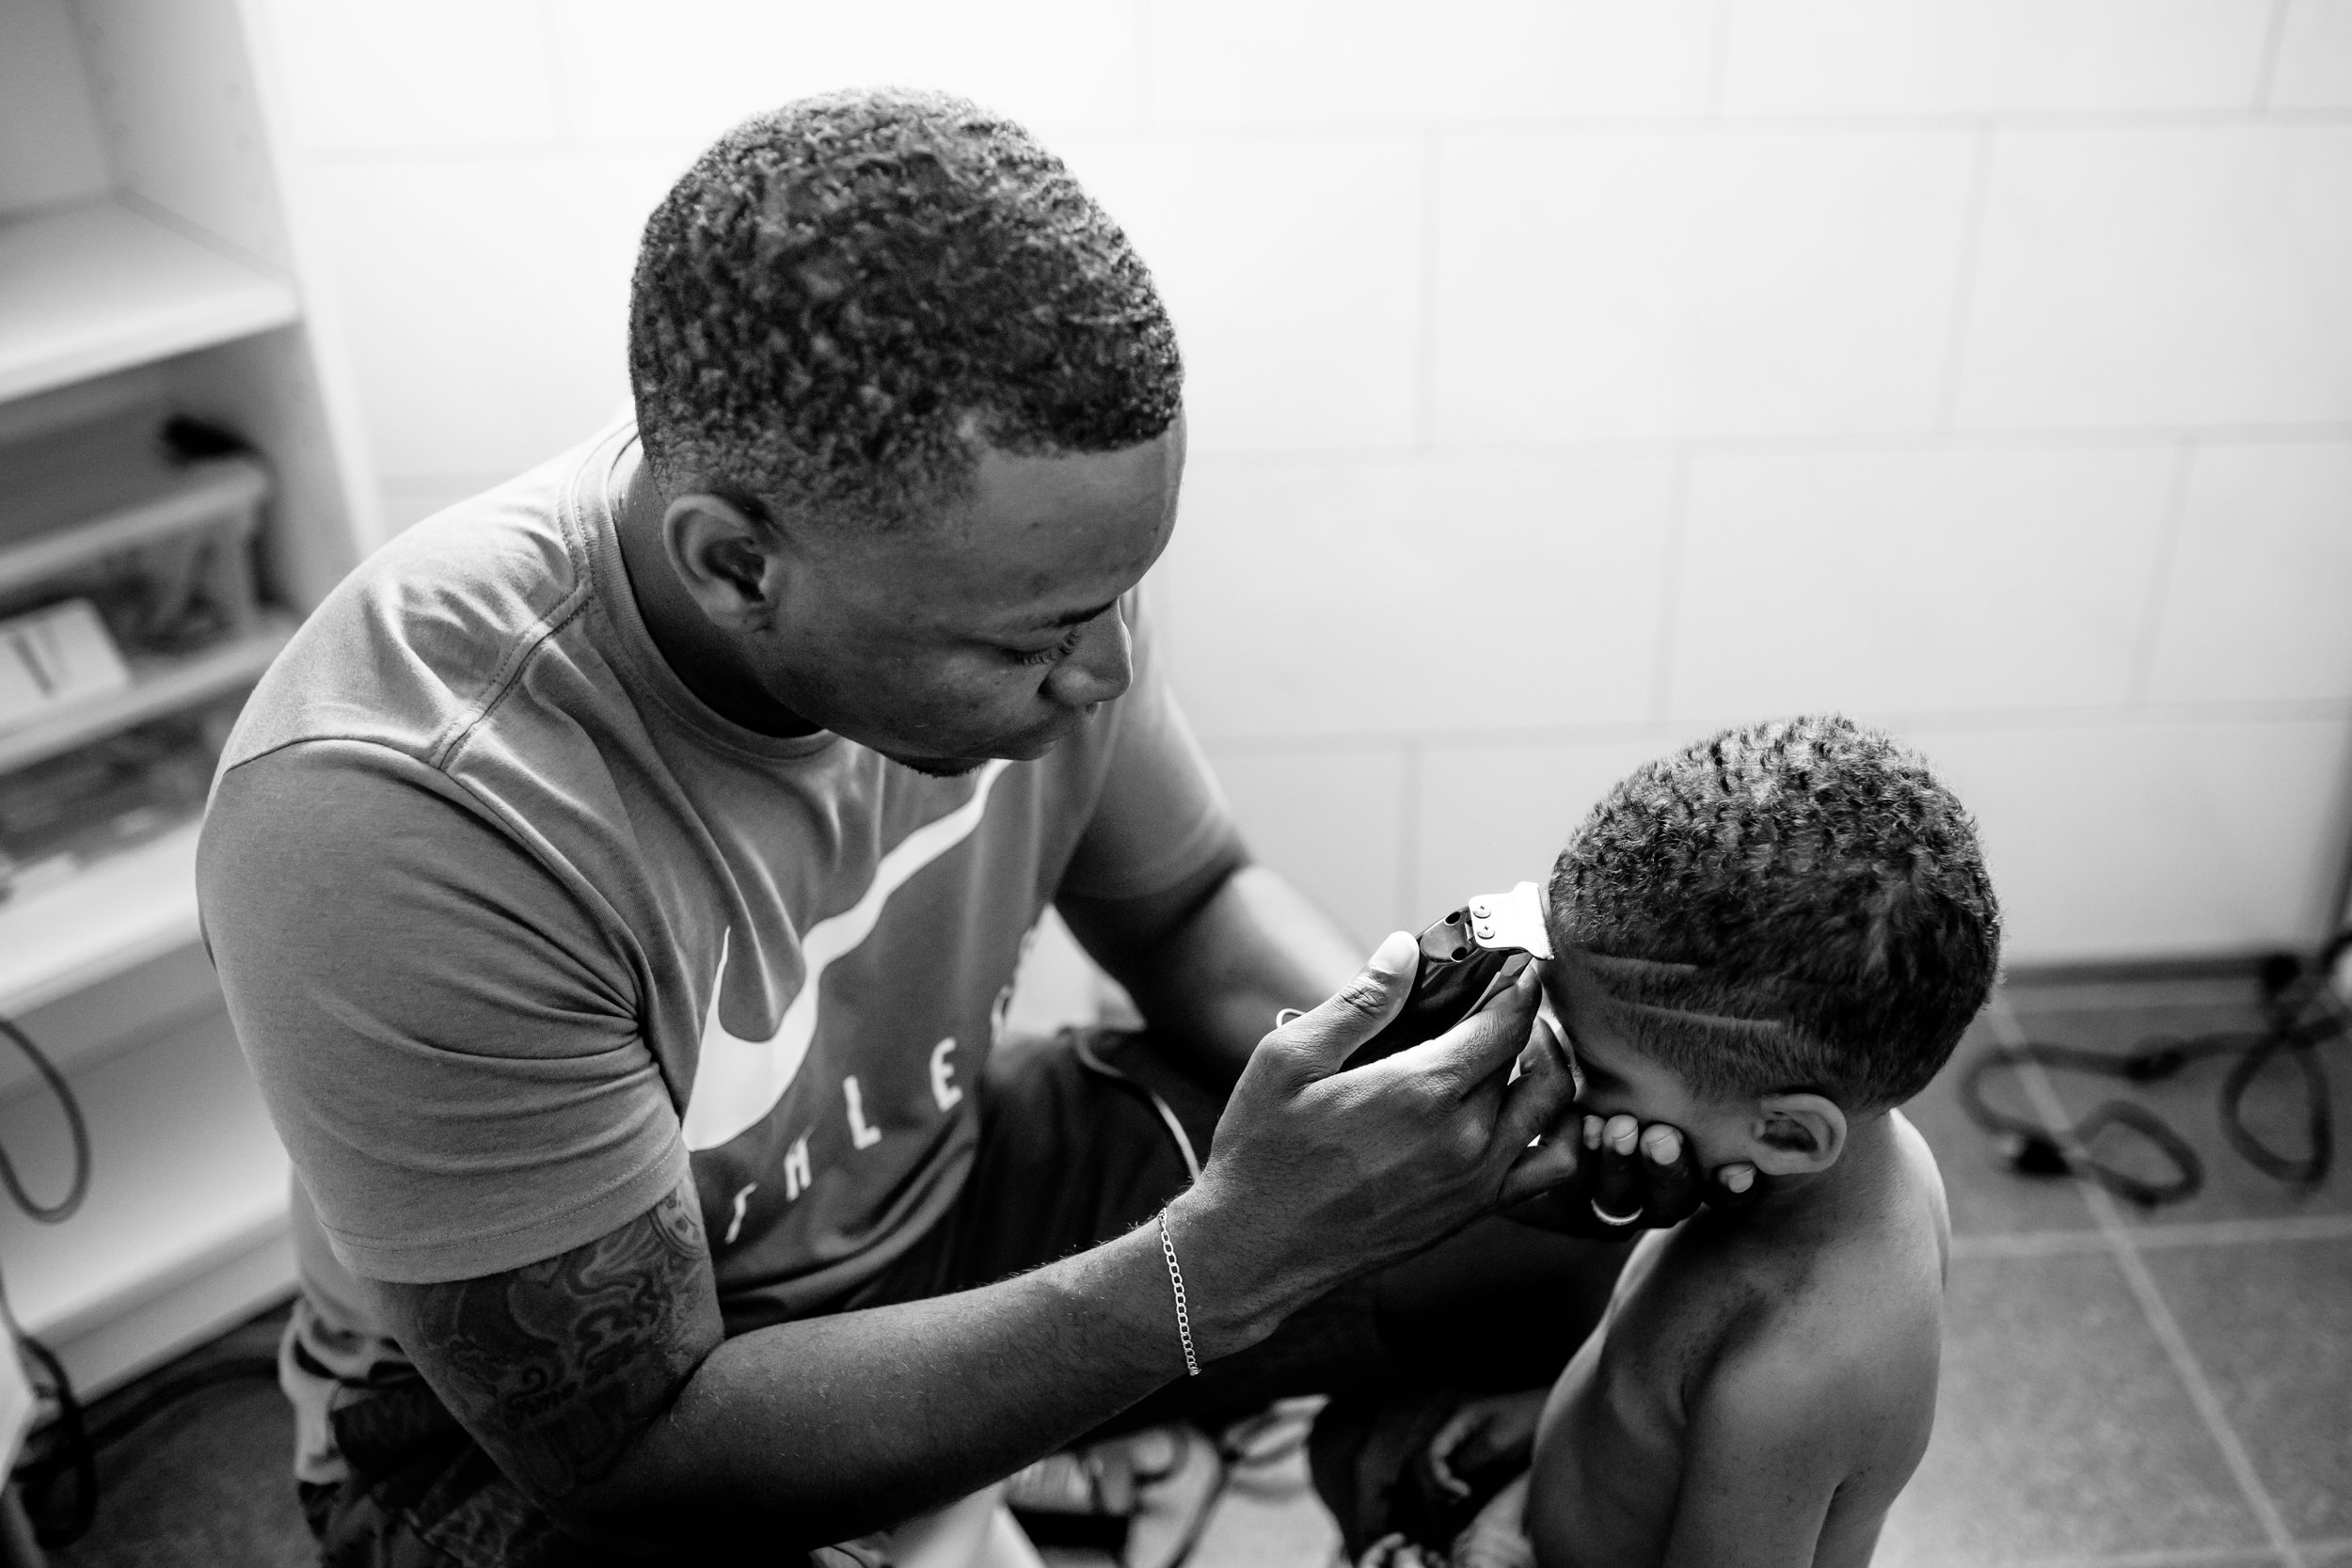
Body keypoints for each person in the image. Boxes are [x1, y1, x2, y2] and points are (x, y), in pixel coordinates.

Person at [198, 90, 1743, 1568]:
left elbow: (1193, 900)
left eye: (1119, 596)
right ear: (738, 565)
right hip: (547, 1434)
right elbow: (636, 1448)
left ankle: (1409, 1479)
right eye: (1035, 641)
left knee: (1599, 1230)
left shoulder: (980, 562)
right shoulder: (404, 810)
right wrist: (1223, 1264)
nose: (1107, 676)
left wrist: (1416, 1108)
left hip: (936, 1195)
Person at [1364, 716, 1998, 1568]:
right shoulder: (1860, 1158)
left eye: (1596, 1067)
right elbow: (1668, 1379)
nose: (1557, 1071)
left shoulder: (1800, 1376)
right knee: (1362, 1450)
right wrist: (1563, 1416)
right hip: (1538, 1502)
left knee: (1357, 1463)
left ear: (1786, 1130)